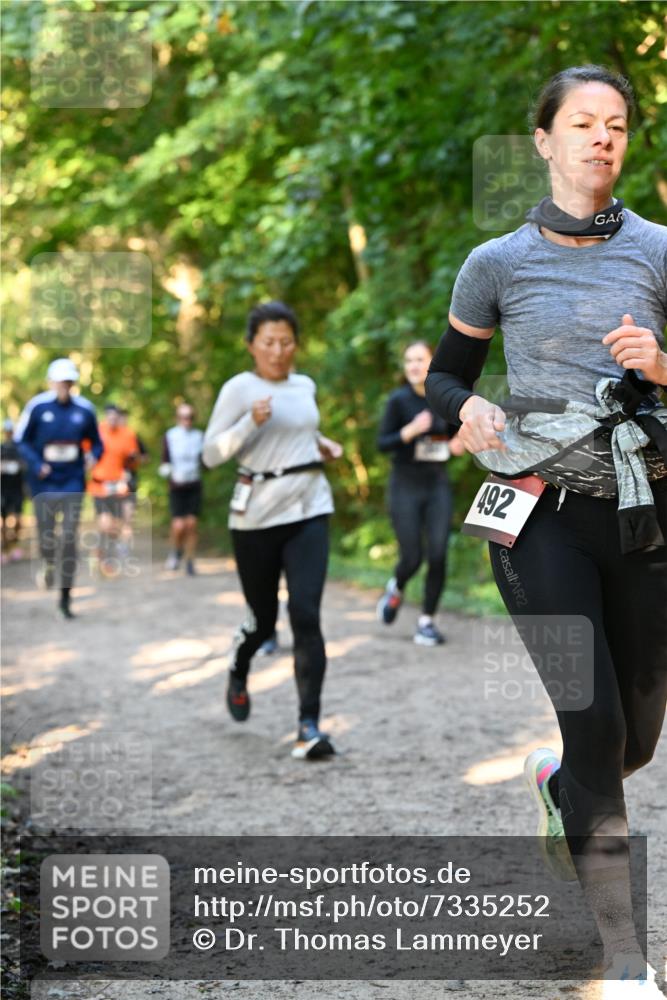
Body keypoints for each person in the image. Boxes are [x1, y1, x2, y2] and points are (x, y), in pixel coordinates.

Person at [425, 66, 667, 996]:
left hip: (645, 515)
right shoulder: (496, 262)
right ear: (544, 140)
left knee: (634, 739)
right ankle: (626, 958)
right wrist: (468, 412)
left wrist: (661, 361)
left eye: (615, 125)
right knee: (595, 724)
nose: (600, 137)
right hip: (535, 519)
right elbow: (445, 376)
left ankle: (552, 784)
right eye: (581, 123)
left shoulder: (656, 250)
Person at [203, 300, 342, 759]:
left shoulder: (304, 385)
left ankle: (309, 725)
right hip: (256, 517)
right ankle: (238, 667)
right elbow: (211, 454)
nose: (278, 351)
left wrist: (320, 445)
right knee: (262, 620)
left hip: (309, 507)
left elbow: (298, 433)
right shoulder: (239, 389)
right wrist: (250, 422)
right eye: (269, 343)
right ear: (251, 346)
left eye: (286, 342)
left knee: (305, 614)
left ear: (296, 344)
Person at [376, 341, 464, 645]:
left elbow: (457, 439)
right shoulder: (398, 401)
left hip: (436, 485)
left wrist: (459, 444)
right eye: (408, 360)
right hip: (405, 486)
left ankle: (426, 621)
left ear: (431, 364)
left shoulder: (443, 400)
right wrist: (409, 431)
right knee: (412, 557)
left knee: (438, 554)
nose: (413, 365)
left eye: (419, 359)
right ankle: (397, 587)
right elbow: (382, 444)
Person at [14, 358, 103, 618]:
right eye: (61, 381)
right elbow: (22, 441)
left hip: (73, 479)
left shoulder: (85, 410)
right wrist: (36, 463)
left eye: (69, 381)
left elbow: (97, 443)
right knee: (47, 536)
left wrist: (92, 456)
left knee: (68, 538)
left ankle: (65, 599)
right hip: (44, 482)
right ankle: (48, 562)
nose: (65, 386)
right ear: (52, 382)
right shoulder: (37, 407)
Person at [88, 403, 140, 575]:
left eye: (115, 416)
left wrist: (132, 461)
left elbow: (133, 461)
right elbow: (86, 452)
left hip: (118, 486)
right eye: (109, 415)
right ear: (105, 416)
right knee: (105, 524)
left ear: (118, 417)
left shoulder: (127, 434)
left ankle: (107, 557)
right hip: (100, 486)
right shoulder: (96, 431)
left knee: (116, 527)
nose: (112, 419)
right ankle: (99, 555)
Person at [160, 403, 204, 575]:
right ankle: (176, 551)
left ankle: (191, 560)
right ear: (178, 418)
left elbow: (205, 459)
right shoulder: (171, 436)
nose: (187, 421)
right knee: (179, 525)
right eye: (184, 417)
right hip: (176, 485)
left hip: (194, 484)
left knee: (191, 524)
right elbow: (165, 458)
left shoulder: (199, 436)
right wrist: (166, 469)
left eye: (190, 417)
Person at [1, 419, 25, 563]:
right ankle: (4, 548)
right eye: (7, 431)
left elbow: (26, 465)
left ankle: (14, 542)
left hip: (17, 488)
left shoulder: (20, 449)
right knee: (2, 521)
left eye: (11, 431)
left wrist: (18, 466)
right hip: (3, 488)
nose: (9, 434)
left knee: (17, 519)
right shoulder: (1, 448)